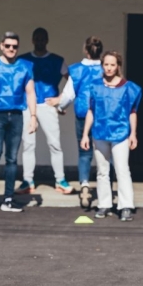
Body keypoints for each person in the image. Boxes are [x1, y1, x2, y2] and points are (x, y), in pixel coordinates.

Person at [0, 31, 37, 213]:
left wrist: (33, 116)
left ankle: (9, 198)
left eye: (15, 46)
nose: (11, 49)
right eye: (8, 45)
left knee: (12, 158)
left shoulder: (26, 66)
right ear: (2, 46)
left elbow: (30, 92)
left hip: (17, 115)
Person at [80, 51, 142, 222]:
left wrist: (133, 134)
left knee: (122, 170)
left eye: (112, 65)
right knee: (102, 171)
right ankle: (104, 204)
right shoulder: (95, 86)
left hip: (120, 133)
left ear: (118, 66)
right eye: (106, 64)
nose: (109, 68)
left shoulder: (128, 88)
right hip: (100, 133)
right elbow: (91, 111)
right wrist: (85, 134)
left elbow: (132, 113)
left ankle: (126, 206)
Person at [47, 36, 104, 208]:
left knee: (84, 153)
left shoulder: (76, 69)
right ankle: (105, 186)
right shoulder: (106, 68)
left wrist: (60, 107)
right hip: (103, 115)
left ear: (85, 50)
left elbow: (68, 94)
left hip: (82, 113)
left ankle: (85, 185)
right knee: (104, 152)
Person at [18, 28, 73, 195]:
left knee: (55, 144)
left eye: (43, 39)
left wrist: (61, 101)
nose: (40, 41)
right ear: (33, 40)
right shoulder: (23, 60)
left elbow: (72, 82)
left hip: (48, 106)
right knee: (28, 144)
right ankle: (27, 181)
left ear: (47, 40)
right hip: (28, 106)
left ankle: (60, 180)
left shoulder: (57, 60)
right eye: (37, 38)